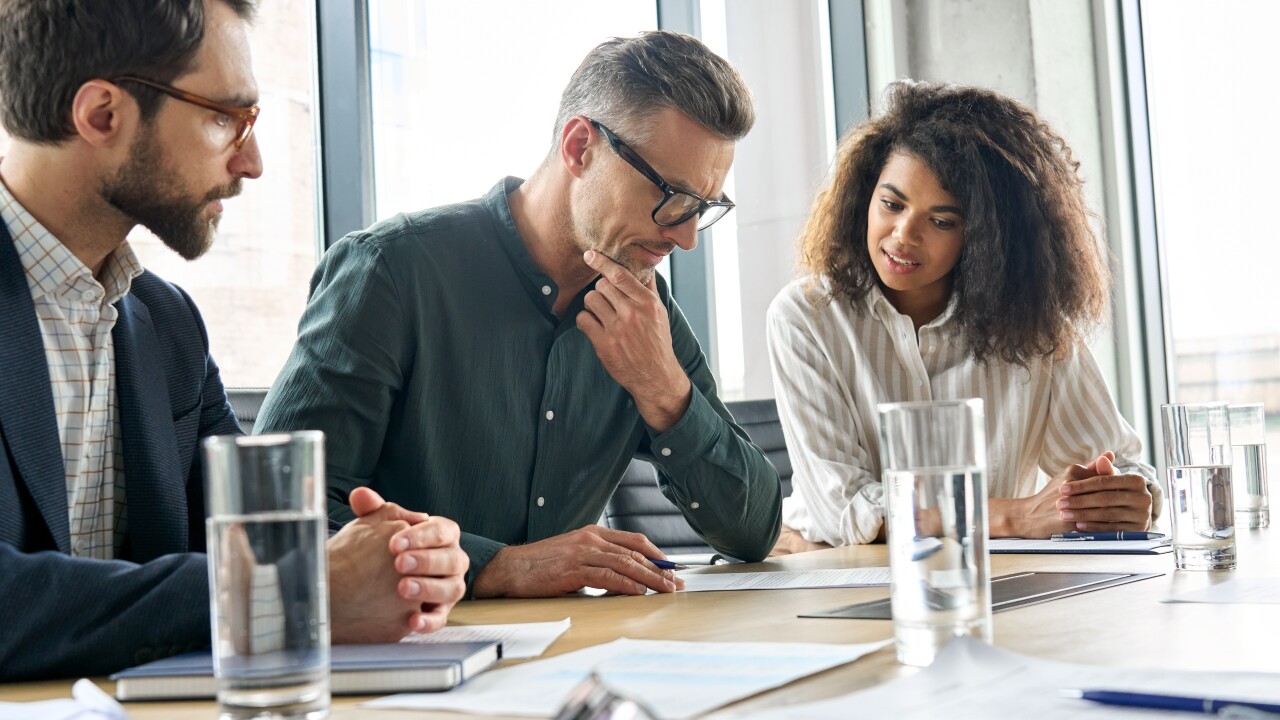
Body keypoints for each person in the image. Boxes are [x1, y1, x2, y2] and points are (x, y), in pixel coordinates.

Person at [0, 0, 466, 681]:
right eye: (226, 117)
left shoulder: (167, 326)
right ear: (102, 114)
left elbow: (264, 543)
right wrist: (304, 590)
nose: (252, 163)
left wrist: (400, 563)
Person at [256, 31, 782, 598]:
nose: (685, 239)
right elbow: (274, 512)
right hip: (405, 660)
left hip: (570, 660)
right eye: (672, 197)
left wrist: (664, 390)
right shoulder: (391, 272)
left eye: (702, 209)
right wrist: (498, 566)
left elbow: (752, 533)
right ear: (581, 147)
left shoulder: (644, 312)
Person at [766, 81, 1161, 552]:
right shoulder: (806, 317)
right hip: (830, 569)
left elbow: (1124, 466)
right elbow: (846, 512)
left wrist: (1120, 497)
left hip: (994, 578)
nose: (903, 235)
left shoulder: (1033, 327)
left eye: (941, 221)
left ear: (985, 239)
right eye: (891, 204)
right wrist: (1014, 516)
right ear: (864, 198)